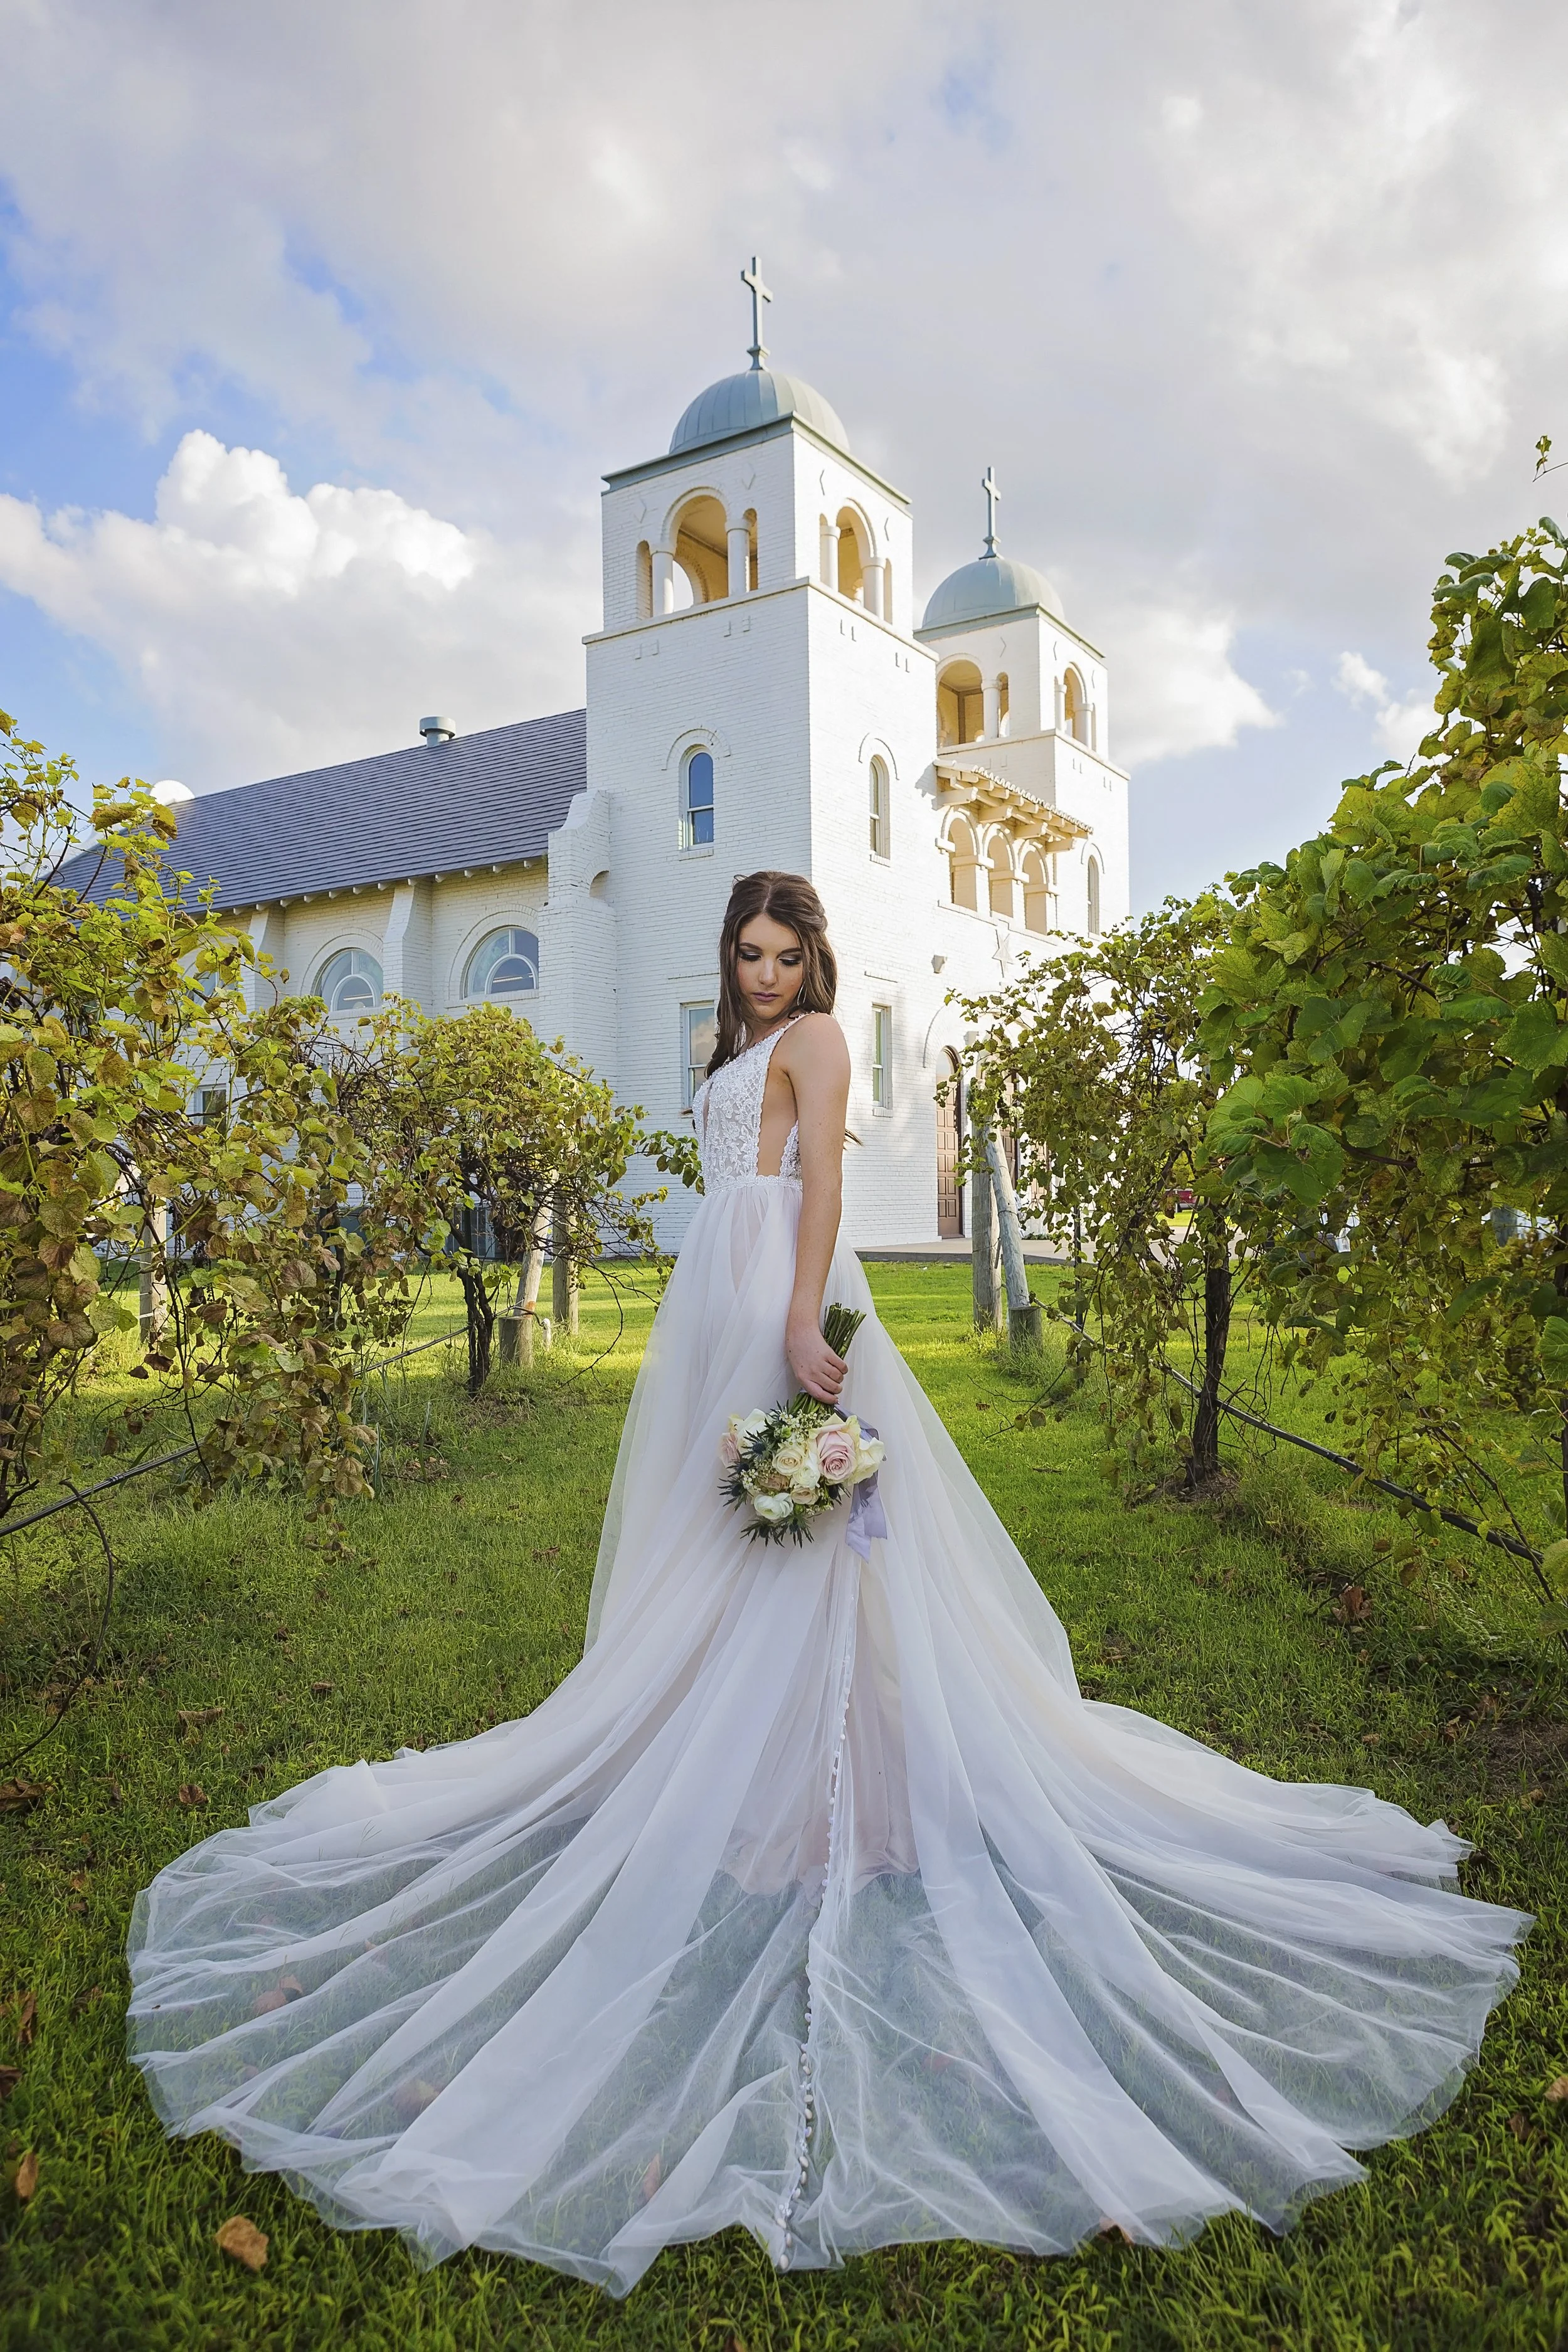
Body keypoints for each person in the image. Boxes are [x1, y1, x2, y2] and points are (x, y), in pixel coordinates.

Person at [127, 870, 1530, 2296]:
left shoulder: (816, 1040)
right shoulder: (731, 1047)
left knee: (797, 1527)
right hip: (712, 1289)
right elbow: (741, 1176)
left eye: (784, 957)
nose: (762, 977)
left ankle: (830, 1787)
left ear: (814, 960)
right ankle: (753, 1776)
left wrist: (799, 1323)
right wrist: (733, 1297)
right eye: (746, 954)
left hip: (776, 1296)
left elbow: (821, 1192)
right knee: (727, 1533)